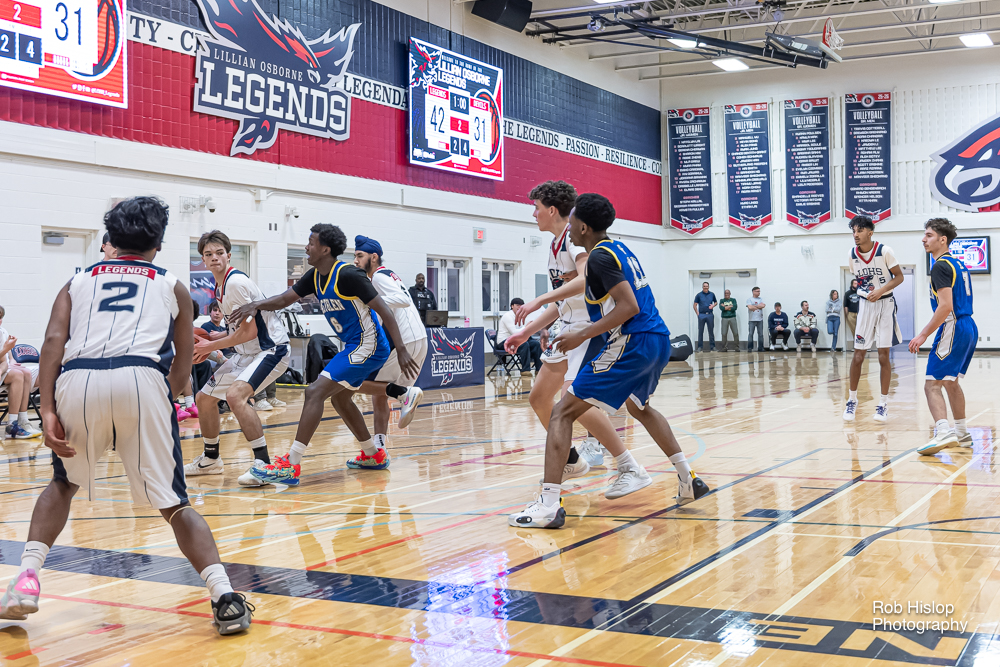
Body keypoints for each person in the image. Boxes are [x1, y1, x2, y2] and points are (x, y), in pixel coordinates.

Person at [0, 197, 253, 633]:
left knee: (63, 483)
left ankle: (25, 579)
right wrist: (159, 400)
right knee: (174, 502)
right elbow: (182, 363)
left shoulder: (77, 281)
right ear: (159, 243)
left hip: (78, 379)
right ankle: (225, 597)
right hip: (142, 378)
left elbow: (53, 342)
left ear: (111, 240)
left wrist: (48, 408)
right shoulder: (173, 285)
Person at [508, 193, 708, 529]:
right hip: (656, 337)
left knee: (562, 412)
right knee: (639, 408)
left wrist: (582, 335)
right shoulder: (618, 249)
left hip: (633, 339)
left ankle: (549, 505)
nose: (569, 225)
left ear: (583, 227)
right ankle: (688, 478)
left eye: (573, 220)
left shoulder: (599, 256)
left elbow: (629, 306)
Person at [232, 224, 418, 485]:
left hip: (369, 345)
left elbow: (385, 311)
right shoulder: (314, 276)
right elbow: (284, 299)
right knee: (340, 399)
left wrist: (402, 350)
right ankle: (373, 454)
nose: (307, 247)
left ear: (325, 249)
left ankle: (291, 464)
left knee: (314, 392)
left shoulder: (349, 274)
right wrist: (255, 304)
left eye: (311, 242)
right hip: (354, 345)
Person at [502, 180, 647, 496]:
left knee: (575, 400)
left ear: (552, 210)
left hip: (589, 327)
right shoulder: (555, 245)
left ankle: (629, 466)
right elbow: (563, 301)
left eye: (536, 208)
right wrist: (526, 331)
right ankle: (571, 460)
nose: (533, 214)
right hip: (567, 326)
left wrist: (539, 299)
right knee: (539, 397)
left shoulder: (573, 239)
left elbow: (585, 279)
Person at [182, 230, 290, 487]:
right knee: (204, 398)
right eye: (208, 254)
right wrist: (217, 335)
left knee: (235, 396)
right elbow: (239, 328)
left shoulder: (235, 284)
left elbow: (249, 332)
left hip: (270, 350)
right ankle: (211, 460)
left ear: (228, 255)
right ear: (203, 259)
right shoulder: (220, 285)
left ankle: (263, 465)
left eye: (219, 253)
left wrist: (210, 345)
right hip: (248, 352)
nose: (214, 257)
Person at [351, 234, 427, 447]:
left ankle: (404, 396)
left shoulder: (377, 276)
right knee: (380, 390)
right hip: (420, 338)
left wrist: (369, 301)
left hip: (405, 338)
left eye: (360, 256)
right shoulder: (389, 275)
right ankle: (380, 443)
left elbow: (402, 300)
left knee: (355, 382)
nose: (355, 260)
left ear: (374, 257)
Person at [914, 218, 977, 455]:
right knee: (950, 382)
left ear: (943, 240)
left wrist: (923, 335)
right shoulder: (958, 264)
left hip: (953, 326)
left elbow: (945, 306)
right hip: (968, 326)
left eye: (929, 235)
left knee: (931, 384)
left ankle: (943, 431)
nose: (924, 239)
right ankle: (962, 434)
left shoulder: (940, 266)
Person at [844, 216, 903, 423]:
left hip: (885, 305)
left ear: (870, 232)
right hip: (865, 306)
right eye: (853, 231)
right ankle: (852, 400)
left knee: (883, 356)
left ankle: (883, 404)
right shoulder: (852, 254)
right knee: (858, 355)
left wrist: (880, 290)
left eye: (859, 231)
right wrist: (868, 292)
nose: (855, 235)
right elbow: (859, 279)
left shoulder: (884, 251)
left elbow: (899, 277)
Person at [0, 307, 42, 438]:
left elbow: (7, 358)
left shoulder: (2, 331)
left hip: (3, 368)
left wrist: (12, 362)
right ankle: (11, 424)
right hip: (2, 369)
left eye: (1, 318)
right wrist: (5, 352)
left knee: (26, 372)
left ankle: (23, 420)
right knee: (18, 375)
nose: (0, 321)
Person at [498, 298, 542, 374]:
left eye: (521, 305)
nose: (519, 307)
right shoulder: (507, 316)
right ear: (512, 306)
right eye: (517, 305)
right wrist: (527, 327)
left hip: (516, 340)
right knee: (524, 344)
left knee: (536, 344)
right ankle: (525, 370)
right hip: (504, 342)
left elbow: (523, 332)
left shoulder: (521, 316)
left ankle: (539, 369)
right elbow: (514, 333)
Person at [692, 282, 717, 352]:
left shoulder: (712, 294)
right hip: (701, 315)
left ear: (708, 287)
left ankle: (712, 347)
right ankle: (700, 347)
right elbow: (694, 305)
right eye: (704, 286)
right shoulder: (699, 295)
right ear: (702, 287)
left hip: (710, 315)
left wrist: (713, 306)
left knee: (711, 331)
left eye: (707, 286)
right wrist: (697, 313)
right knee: (700, 331)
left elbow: (716, 302)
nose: (705, 287)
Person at [746, 287, 766, 352]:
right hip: (752, 319)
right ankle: (750, 348)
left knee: (760, 334)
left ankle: (761, 348)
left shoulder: (761, 299)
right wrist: (758, 306)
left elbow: (763, 306)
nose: (759, 292)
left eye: (759, 291)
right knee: (751, 334)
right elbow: (749, 307)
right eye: (757, 291)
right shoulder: (749, 299)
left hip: (760, 319)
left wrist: (754, 306)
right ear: (753, 292)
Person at [844, 279, 860, 351]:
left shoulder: (861, 293)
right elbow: (845, 305)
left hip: (860, 313)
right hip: (851, 314)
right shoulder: (847, 293)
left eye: (857, 283)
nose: (856, 285)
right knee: (854, 330)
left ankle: (864, 346)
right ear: (852, 284)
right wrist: (846, 316)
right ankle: (856, 346)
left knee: (861, 329)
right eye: (855, 283)